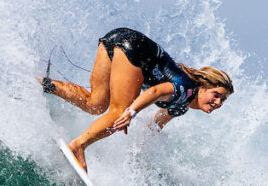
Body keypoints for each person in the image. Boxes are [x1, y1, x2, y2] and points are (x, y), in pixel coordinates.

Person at [42, 27, 234, 171]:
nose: (218, 102)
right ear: (203, 87)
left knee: (95, 104)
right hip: (135, 49)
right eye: (216, 95)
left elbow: (154, 126)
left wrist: (139, 157)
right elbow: (155, 92)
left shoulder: (181, 107)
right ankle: (77, 146)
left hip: (117, 39)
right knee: (118, 112)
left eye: (222, 100)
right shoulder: (187, 89)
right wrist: (131, 113)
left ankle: (39, 83)